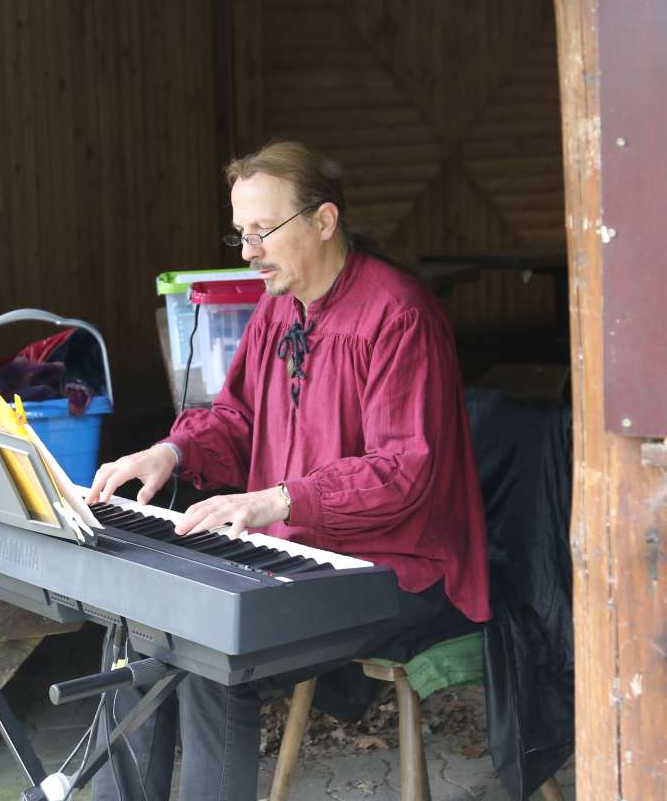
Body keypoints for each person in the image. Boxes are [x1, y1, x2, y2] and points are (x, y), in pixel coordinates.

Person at [85, 141, 490, 801]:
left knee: (212, 652)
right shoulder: (278, 308)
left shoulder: (399, 315)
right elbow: (237, 416)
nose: (248, 252)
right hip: (298, 553)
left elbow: (400, 471)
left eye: (263, 231)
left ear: (324, 222)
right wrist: (171, 452)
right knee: (138, 625)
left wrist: (277, 500)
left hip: (399, 570)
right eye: (241, 233)